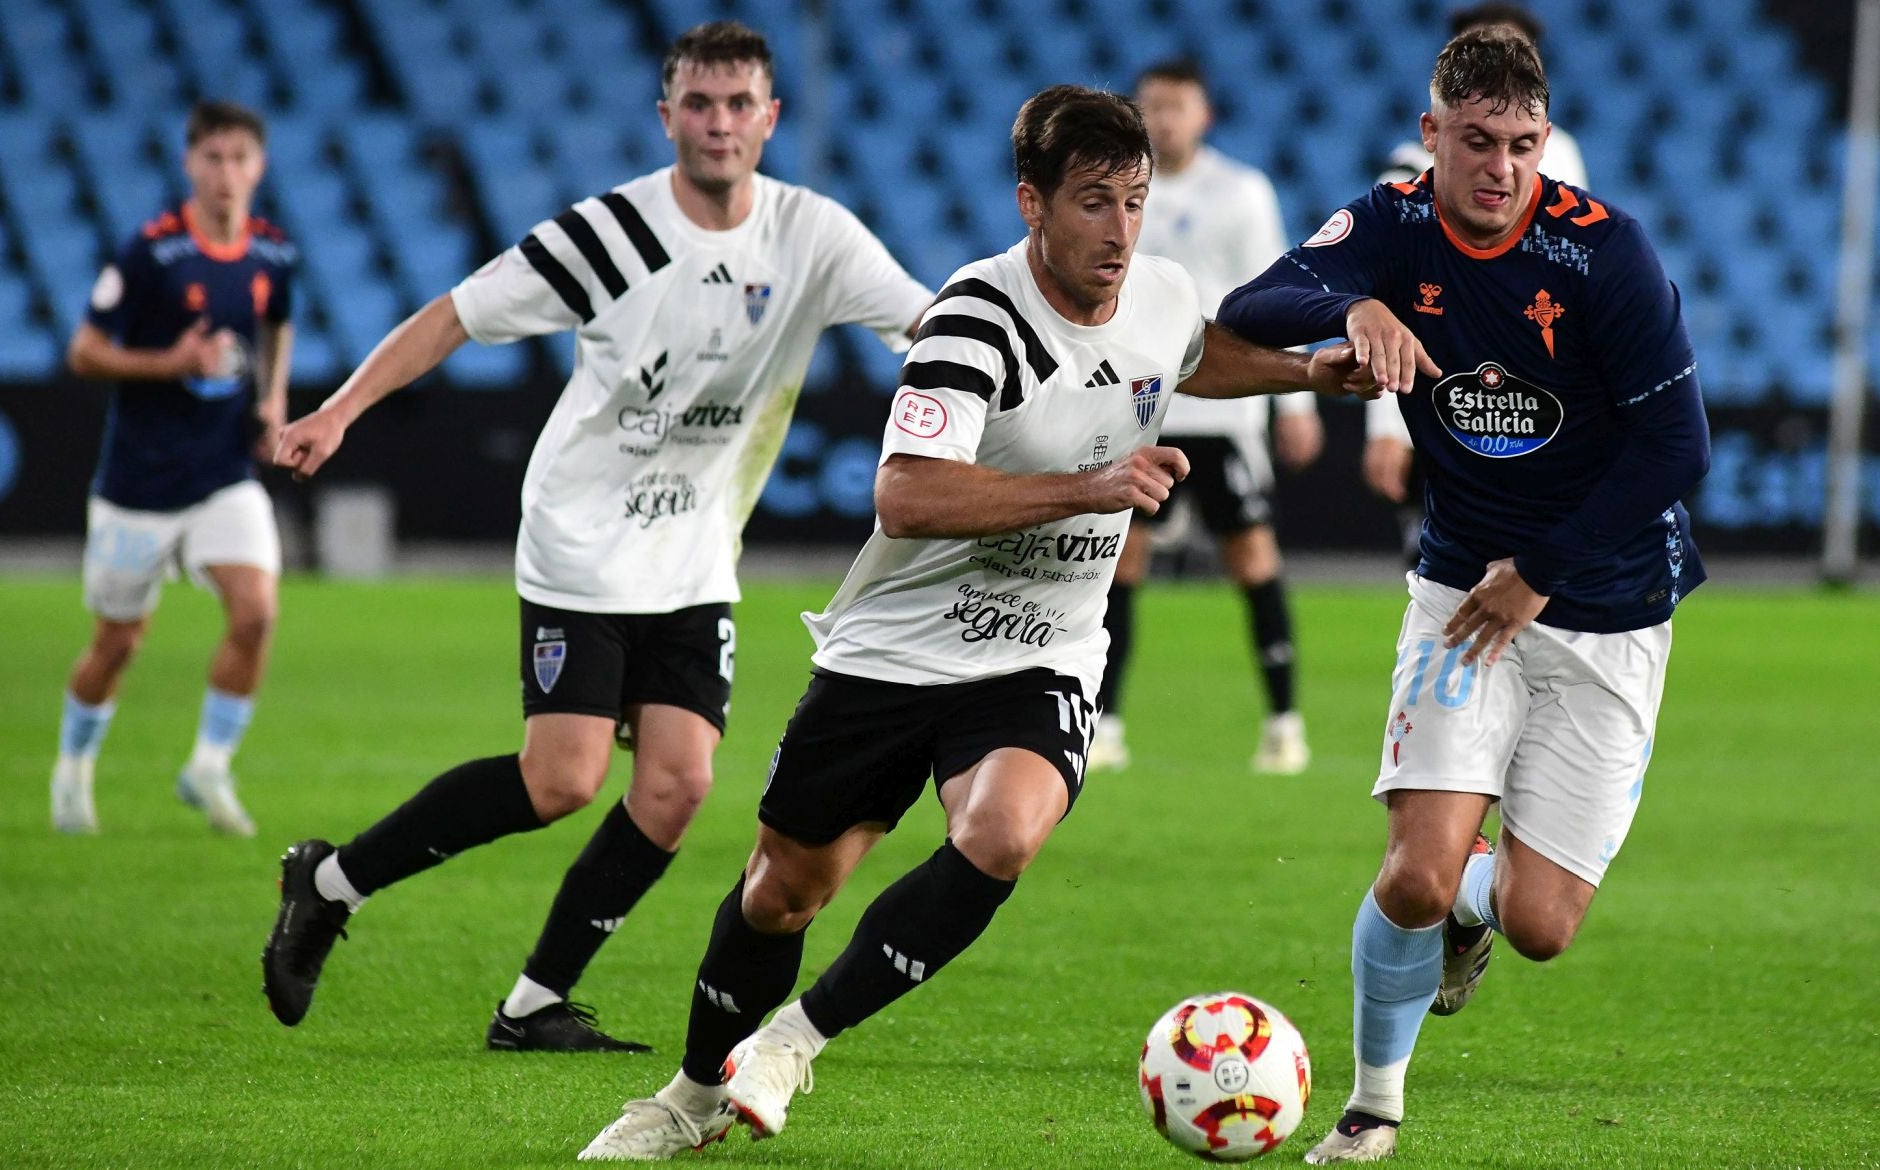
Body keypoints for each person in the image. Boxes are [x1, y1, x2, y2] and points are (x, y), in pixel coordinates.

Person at [576, 83, 1376, 1162]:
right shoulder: (975, 316)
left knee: (1001, 831)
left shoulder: (1160, 288)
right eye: (1093, 204)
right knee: (781, 893)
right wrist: (1089, 487)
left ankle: (795, 1041)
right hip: (896, 646)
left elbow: (1187, 353)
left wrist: (1303, 375)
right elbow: (906, 495)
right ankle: (686, 1096)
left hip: (1041, 643)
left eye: (1135, 202)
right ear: (1031, 204)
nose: (1121, 231)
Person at [258, 21, 933, 1053]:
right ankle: (331, 881)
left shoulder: (813, 237)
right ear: (667, 118)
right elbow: (454, 313)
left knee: (678, 786)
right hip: (580, 538)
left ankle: (533, 1006)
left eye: (738, 103)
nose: (718, 124)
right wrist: (340, 412)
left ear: (770, 117)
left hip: (696, 553)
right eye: (698, 105)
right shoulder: (609, 235)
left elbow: (928, 331)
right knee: (562, 781)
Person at [1217, 27, 1709, 1164]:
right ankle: (1372, 1104)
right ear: (1430, 134)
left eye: (1523, 145)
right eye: (1477, 141)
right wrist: (1351, 310)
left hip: (1609, 604)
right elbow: (1250, 308)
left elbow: (1676, 450)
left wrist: (1541, 572)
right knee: (1415, 872)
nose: (1501, 169)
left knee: (1540, 925)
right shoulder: (1389, 224)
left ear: (1547, 141)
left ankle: (1478, 917)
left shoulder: (1608, 255)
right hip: (1456, 596)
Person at [50, 100, 296, 838]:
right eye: (213, 158)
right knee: (119, 642)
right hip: (138, 485)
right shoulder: (150, 253)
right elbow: (84, 352)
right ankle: (72, 769)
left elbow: (278, 320)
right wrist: (171, 362)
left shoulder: (273, 254)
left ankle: (209, 767)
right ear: (190, 163)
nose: (226, 173)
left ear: (260, 166)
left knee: (256, 613)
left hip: (222, 475)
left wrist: (274, 398)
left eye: (240, 158)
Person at [1089, 58, 1321, 775]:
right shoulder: (1117, 190)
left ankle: (1284, 723)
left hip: (1225, 412)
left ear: (1204, 114)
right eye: (1152, 105)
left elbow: (1281, 297)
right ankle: (1104, 723)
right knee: (1119, 565)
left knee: (1252, 559)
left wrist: (1297, 399)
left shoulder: (1242, 192)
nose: (1164, 119)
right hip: (1141, 408)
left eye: (1177, 106)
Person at [1364, 2, 1590, 529]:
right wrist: (1387, 427)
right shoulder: (1406, 170)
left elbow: (1577, 284)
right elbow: (1385, 303)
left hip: (1536, 391)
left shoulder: (1563, 158)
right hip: (1438, 385)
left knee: (1528, 570)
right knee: (1434, 565)